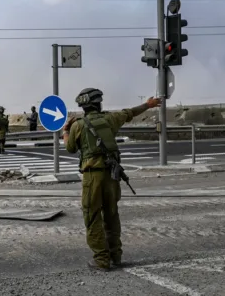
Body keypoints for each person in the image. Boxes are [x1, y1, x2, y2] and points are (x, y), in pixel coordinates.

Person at [63, 87, 161, 271]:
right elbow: (130, 113)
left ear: (83, 106)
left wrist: (65, 132)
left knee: (92, 216)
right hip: (112, 175)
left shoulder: (78, 125)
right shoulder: (110, 119)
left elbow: (70, 148)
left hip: (93, 176)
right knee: (111, 214)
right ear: (98, 103)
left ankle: (101, 259)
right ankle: (115, 255)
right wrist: (148, 104)